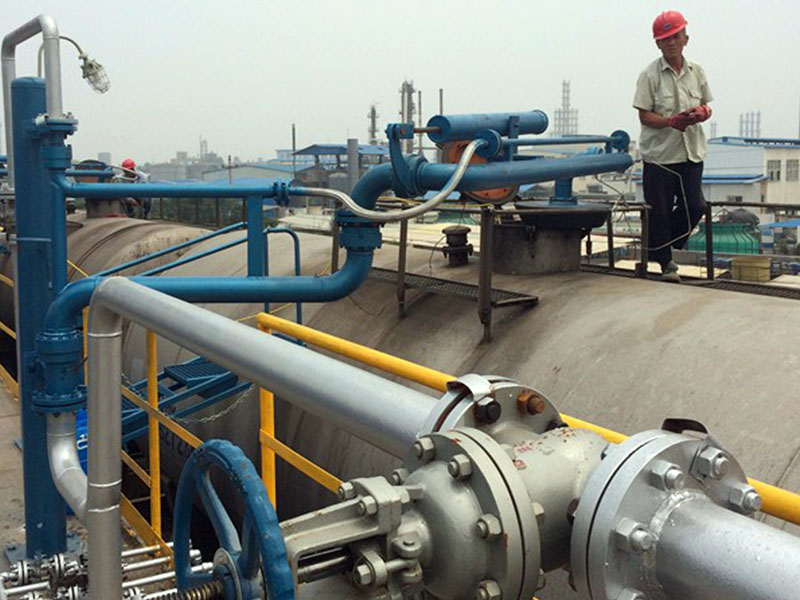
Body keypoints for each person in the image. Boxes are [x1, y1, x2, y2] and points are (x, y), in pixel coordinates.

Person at [633, 10, 713, 283]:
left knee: (696, 206)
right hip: (660, 156)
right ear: (658, 43)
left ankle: (659, 247)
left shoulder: (696, 72)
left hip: (691, 152)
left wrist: (702, 113)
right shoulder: (649, 75)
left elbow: (706, 106)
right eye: (665, 38)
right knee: (660, 211)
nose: (671, 42)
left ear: (685, 39)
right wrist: (670, 121)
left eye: (675, 36)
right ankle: (666, 263)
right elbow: (645, 115)